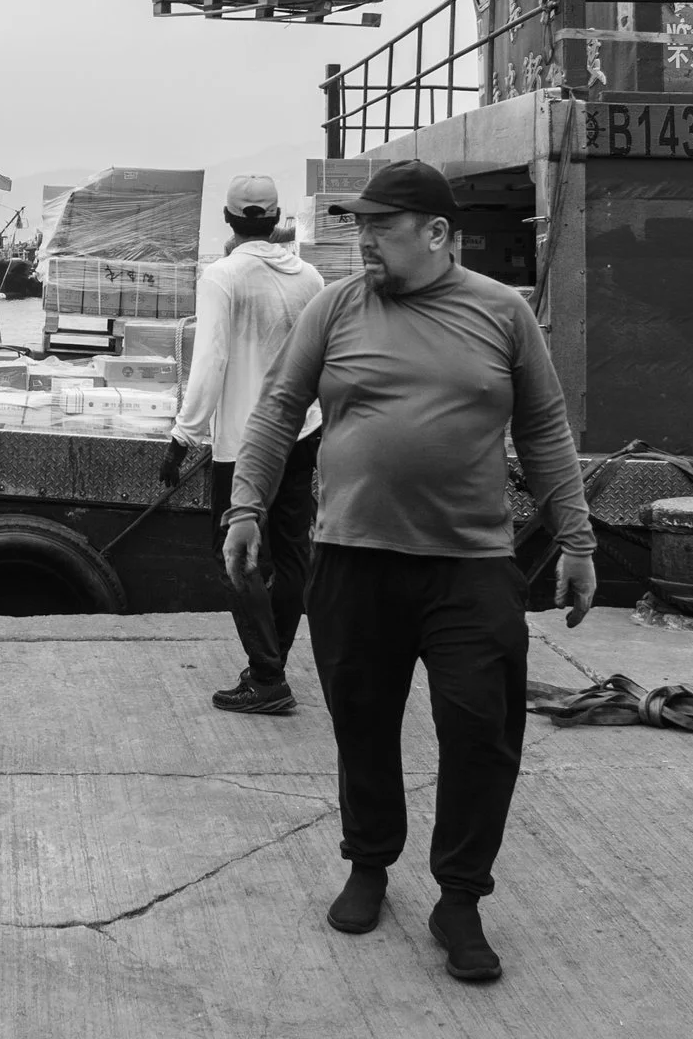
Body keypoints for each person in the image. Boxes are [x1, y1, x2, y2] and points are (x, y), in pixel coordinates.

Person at [227, 159, 596, 982]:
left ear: (436, 235)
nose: (363, 241)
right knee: (362, 721)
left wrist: (578, 542)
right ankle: (369, 863)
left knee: (480, 730)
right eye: (359, 226)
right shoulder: (337, 306)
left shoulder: (502, 314)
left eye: (380, 228)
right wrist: (246, 506)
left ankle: (459, 896)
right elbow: (281, 408)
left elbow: (543, 428)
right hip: (354, 559)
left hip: (470, 564)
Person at [161, 175, 324, 716]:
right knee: (293, 552)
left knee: (235, 552)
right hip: (302, 431)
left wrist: (183, 435)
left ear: (229, 222)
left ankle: (268, 676)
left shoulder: (222, 276)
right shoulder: (311, 276)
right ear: (276, 219)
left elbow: (210, 362)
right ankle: (269, 663)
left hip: (245, 442)